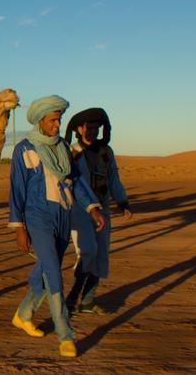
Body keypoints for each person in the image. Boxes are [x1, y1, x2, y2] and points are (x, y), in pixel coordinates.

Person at [7, 95, 105, 358]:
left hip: (63, 215)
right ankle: (65, 334)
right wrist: (19, 227)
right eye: (53, 120)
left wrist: (92, 207)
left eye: (59, 119)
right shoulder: (24, 149)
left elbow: (76, 180)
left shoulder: (62, 147)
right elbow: (17, 191)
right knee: (53, 273)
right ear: (41, 120)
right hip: (38, 217)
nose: (57, 124)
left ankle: (24, 314)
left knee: (44, 269)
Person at [64, 108, 133, 315]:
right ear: (79, 129)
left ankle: (87, 301)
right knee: (87, 252)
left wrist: (123, 202)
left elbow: (113, 179)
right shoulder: (72, 152)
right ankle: (71, 300)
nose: (92, 131)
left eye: (96, 128)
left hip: (103, 209)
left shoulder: (106, 152)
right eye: (88, 127)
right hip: (79, 210)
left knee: (101, 254)